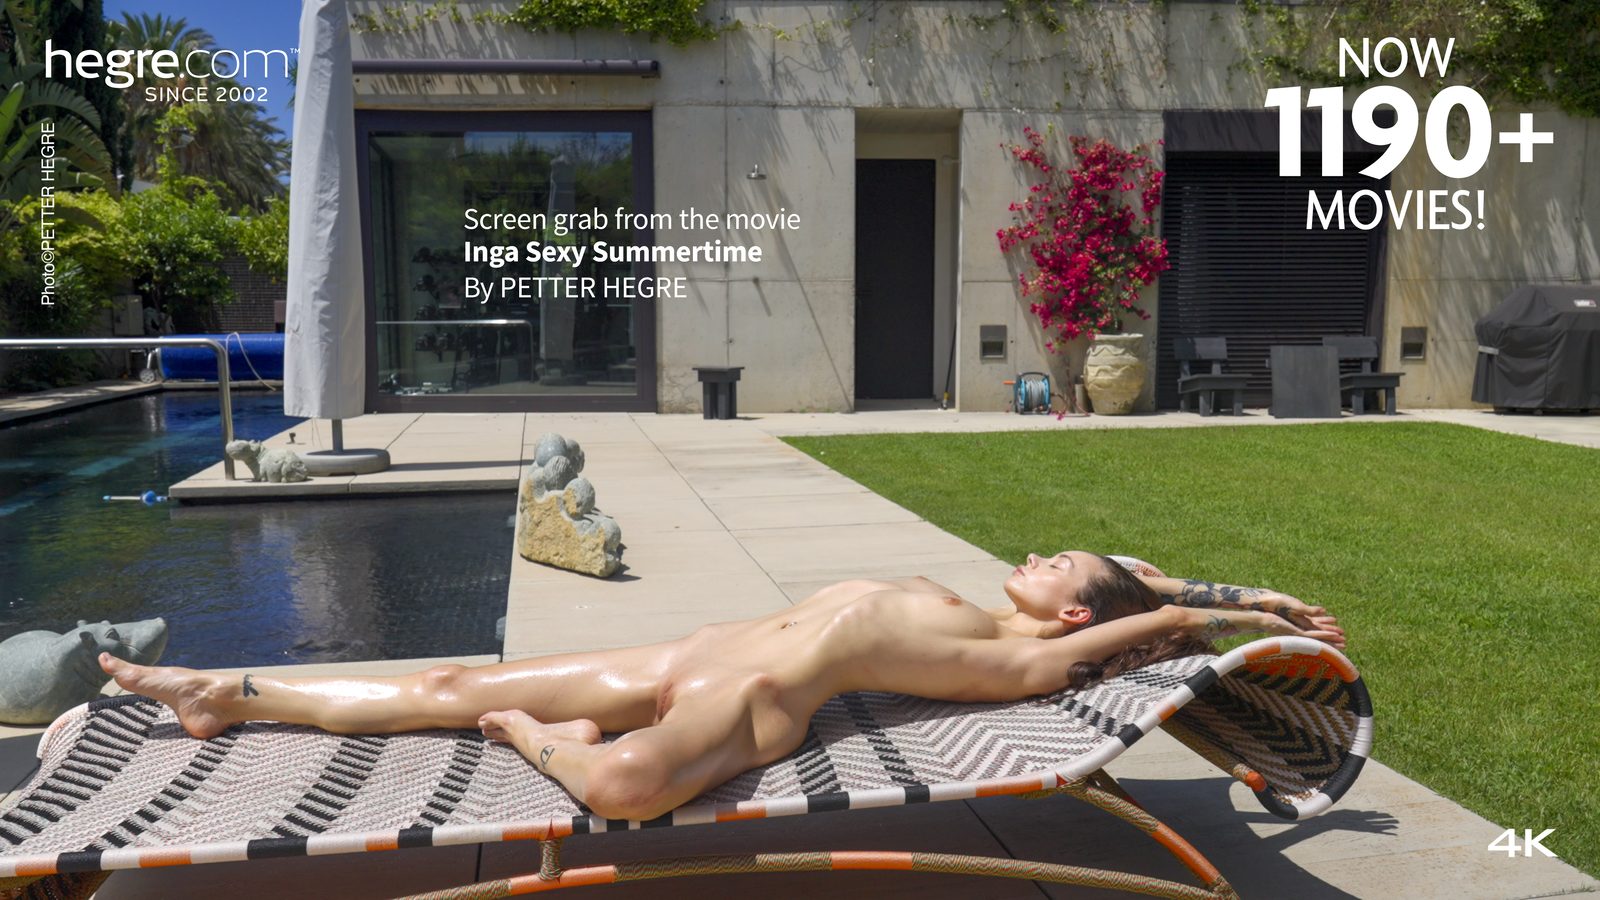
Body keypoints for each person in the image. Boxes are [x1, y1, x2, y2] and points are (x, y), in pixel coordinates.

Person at [99, 552, 1344, 822]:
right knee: (442, 677)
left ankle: (533, 739)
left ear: (1073, 618)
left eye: (1060, 565)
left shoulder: (1015, 655)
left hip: (750, 705)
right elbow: (1139, 577)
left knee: (623, 789)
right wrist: (1213, 585)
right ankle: (229, 695)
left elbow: (1151, 602)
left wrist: (1246, 614)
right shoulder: (980, 607)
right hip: (685, 655)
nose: (1040, 552)